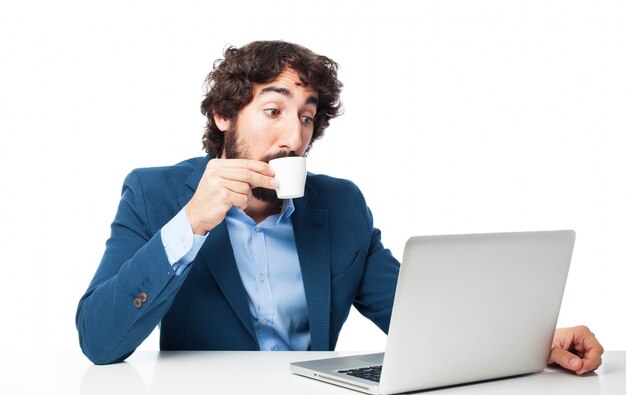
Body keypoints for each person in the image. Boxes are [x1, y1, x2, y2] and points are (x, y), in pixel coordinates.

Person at [76, 41, 604, 373]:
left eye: (306, 117)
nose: (293, 137)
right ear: (222, 114)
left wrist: (535, 341)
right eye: (274, 109)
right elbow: (99, 341)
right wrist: (190, 225)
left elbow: (417, 313)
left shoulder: (341, 205)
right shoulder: (155, 195)